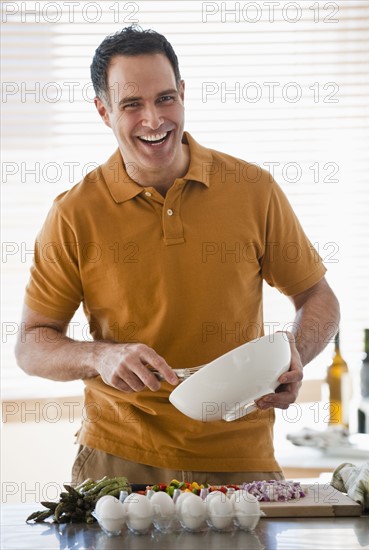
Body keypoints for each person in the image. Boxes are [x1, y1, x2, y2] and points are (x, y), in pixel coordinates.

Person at [15, 25, 340, 486]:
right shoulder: (74, 214)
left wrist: (296, 354)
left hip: (241, 457)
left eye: (165, 98)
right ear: (103, 111)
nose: (154, 119)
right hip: (120, 457)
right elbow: (31, 343)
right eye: (131, 104)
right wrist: (100, 357)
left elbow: (318, 296)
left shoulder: (253, 190)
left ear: (183, 93)